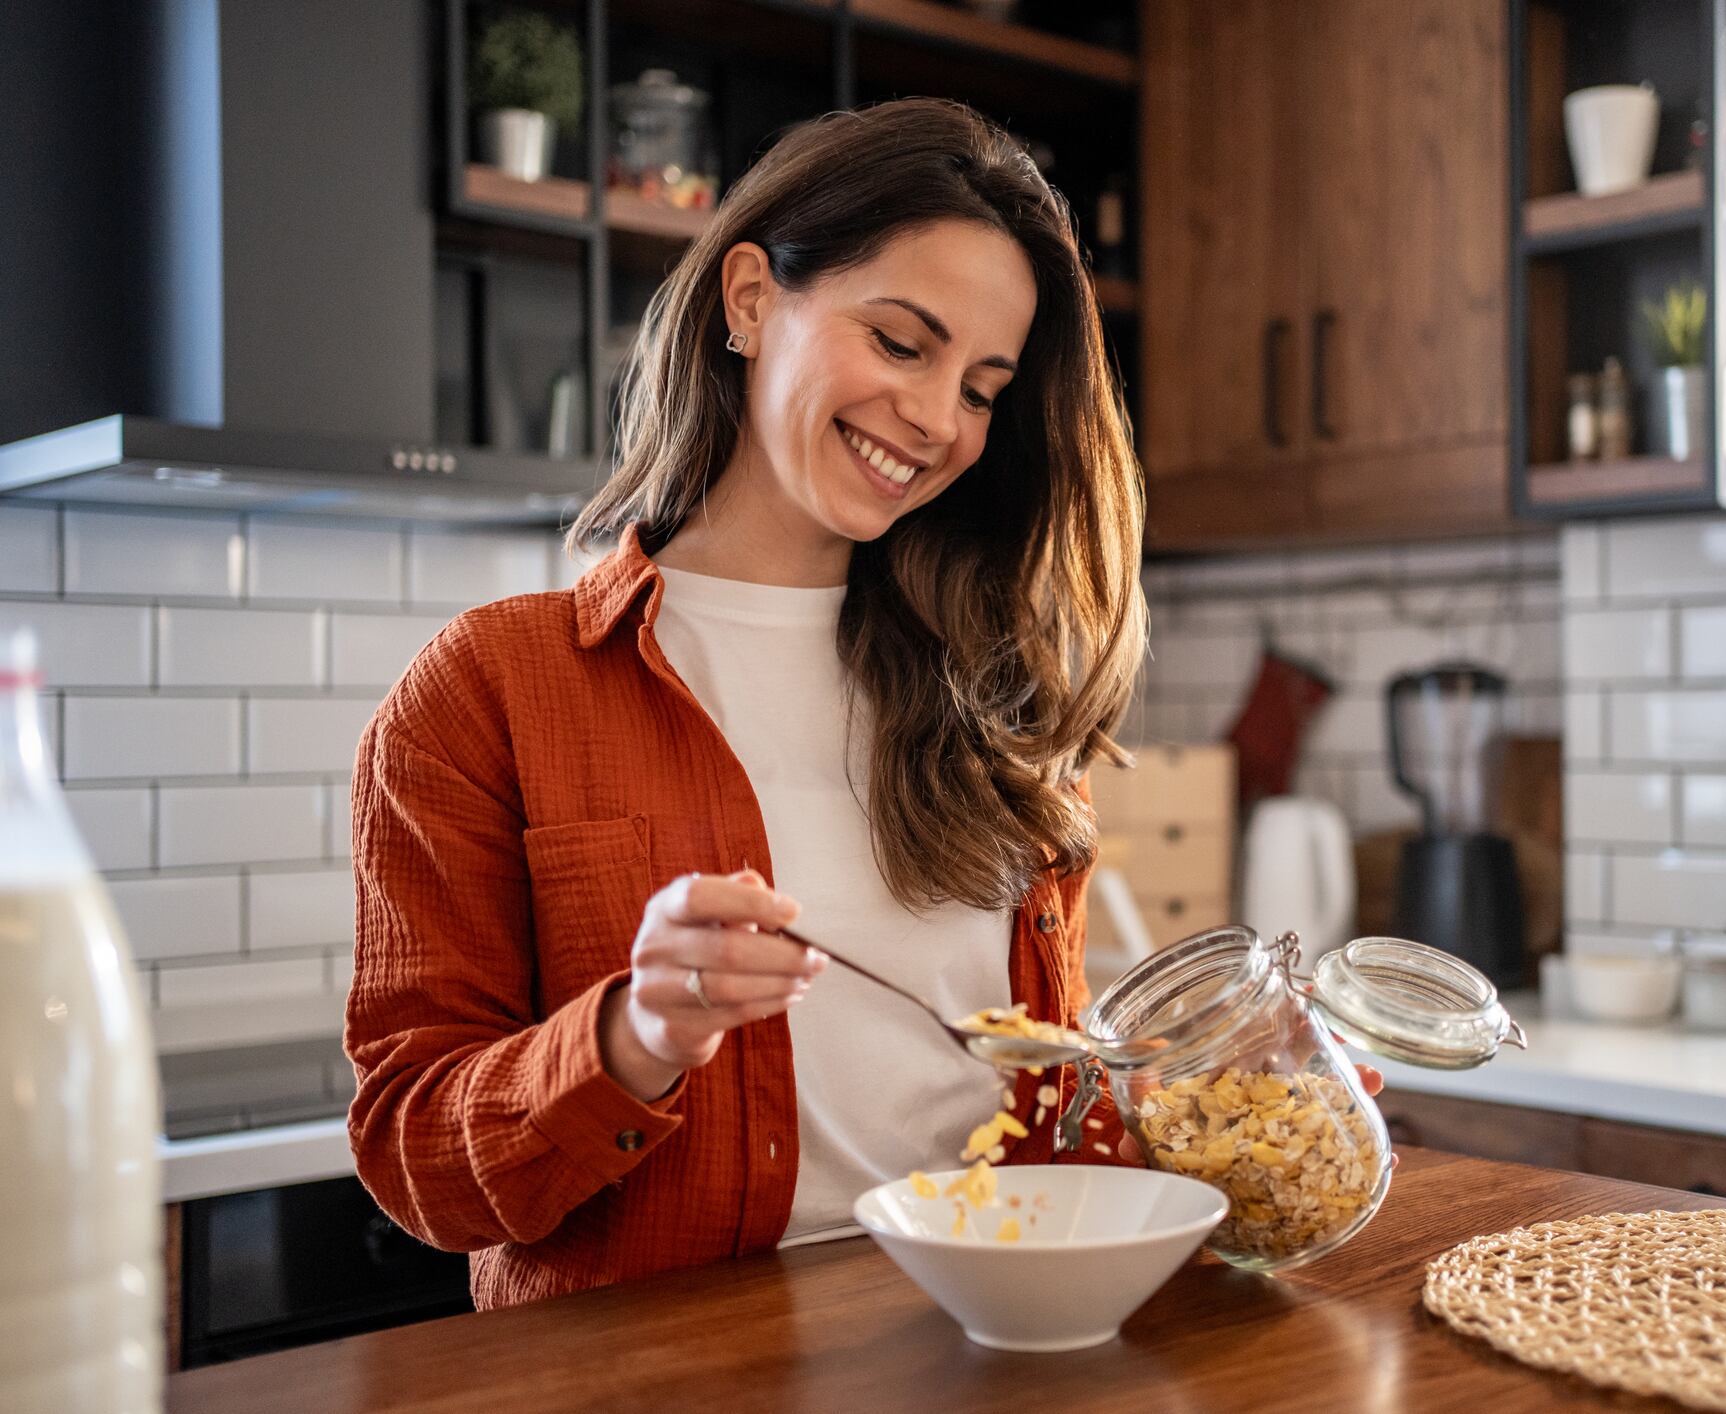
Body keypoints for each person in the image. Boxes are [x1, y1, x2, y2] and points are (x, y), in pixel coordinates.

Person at [345, 99, 1146, 1312]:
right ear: (751, 299)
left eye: (983, 389)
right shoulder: (487, 691)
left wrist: (1205, 1096)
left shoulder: (1001, 695)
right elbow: (417, 1162)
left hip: (994, 1355)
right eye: (900, 342)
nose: (937, 420)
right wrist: (635, 1037)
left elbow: (1051, 1107)